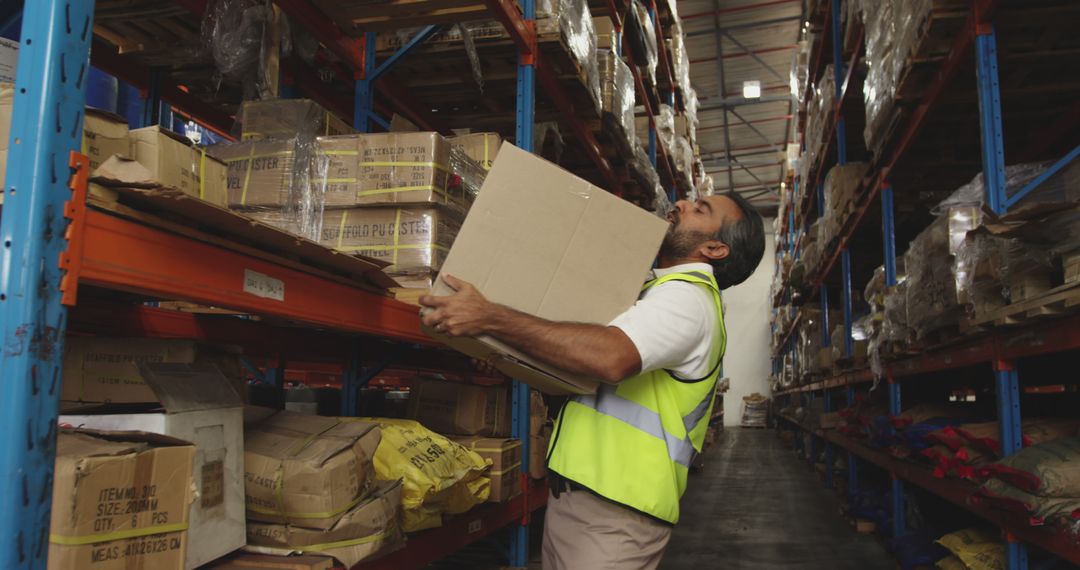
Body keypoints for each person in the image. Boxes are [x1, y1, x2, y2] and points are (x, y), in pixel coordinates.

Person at [419, 192, 766, 570]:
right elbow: (588, 385)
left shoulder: (687, 299)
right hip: (590, 503)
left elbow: (609, 358)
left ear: (715, 249)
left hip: (614, 514)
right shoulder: (658, 294)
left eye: (700, 209)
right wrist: (506, 354)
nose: (682, 203)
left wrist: (490, 318)